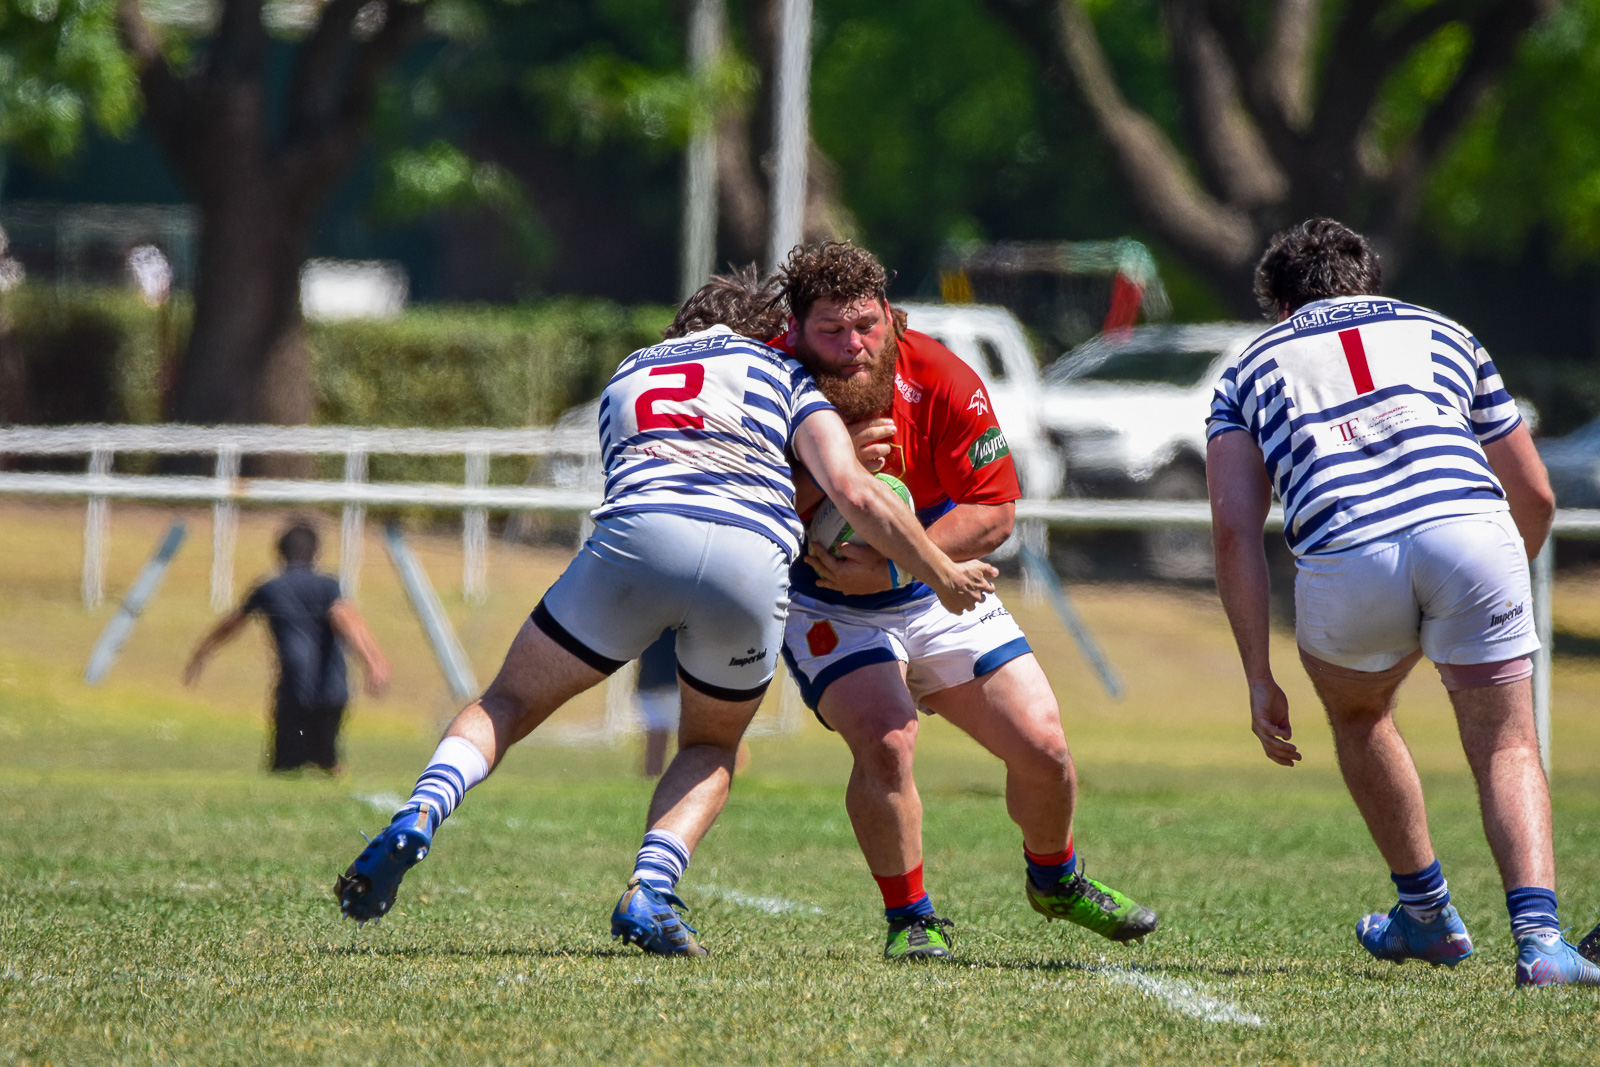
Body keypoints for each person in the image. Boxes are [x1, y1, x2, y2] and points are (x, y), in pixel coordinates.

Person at [334, 269, 997, 957]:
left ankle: (422, 809)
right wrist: (938, 571)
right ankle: (650, 888)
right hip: (750, 559)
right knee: (710, 745)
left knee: (506, 702)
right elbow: (854, 491)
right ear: (761, 329)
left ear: (678, 330)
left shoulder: (629, 371)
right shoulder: (781, 371)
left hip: (637, 541)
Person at [1207, 217, 1598, 988]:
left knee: (1361, 714)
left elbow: (1232, 532)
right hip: (1472, 533)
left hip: (1348, 550)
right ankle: (1542, 940)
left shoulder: (1247, 367)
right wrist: (1494, 584)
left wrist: (1258, 673)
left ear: (1278, 302)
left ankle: (1426, 912)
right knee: (1507, 739)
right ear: (1368, 283)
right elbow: (1537, 492)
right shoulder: (1445, 332)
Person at [768, 242, 1158, 961]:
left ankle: (1056, 878)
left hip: (931, 586)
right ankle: (911, 917)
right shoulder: (771, 377)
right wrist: (833, 465)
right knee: (888, 738)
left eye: (867, 325)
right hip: (826, 601)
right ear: (795, 330)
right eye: (832, 331)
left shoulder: (940, 375)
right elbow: (742, 501)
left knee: (1044, 747)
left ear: (889, 315)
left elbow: (996, 510)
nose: (855, 347)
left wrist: (889, 564)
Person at [185, 520, 390, 773]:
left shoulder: (269, 588)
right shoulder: (328, 585)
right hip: (332, 688)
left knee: (285, 767)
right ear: (316, 552)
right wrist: (374, 663)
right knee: (326, 760)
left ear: (278, 551)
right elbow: (347, 620)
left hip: (294, 689)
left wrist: (202, 652)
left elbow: (232, 623)